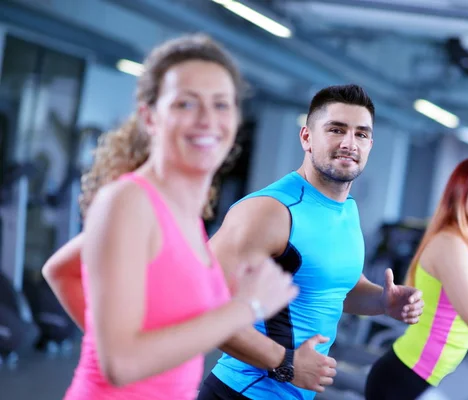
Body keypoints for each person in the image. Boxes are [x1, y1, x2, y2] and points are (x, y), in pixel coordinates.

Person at [43, 34, 298, 400]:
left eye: (221, 104)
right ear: (150, 117)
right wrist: (247, 307)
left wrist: (132, 349)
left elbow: (60, 270)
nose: (208, 119)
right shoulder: (129, 202)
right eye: (186, 103)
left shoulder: (183, 211)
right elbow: (121, 365)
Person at [197, 84, 425, 400]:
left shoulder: (347, 210)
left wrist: (383, 301)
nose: (349, 143)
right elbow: (200, 305)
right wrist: (286, 362)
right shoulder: (270, 211)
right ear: (306, 137)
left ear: (370, 144)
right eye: (336, 130)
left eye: (360, 134)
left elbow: (331, 288)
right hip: (241, 393)